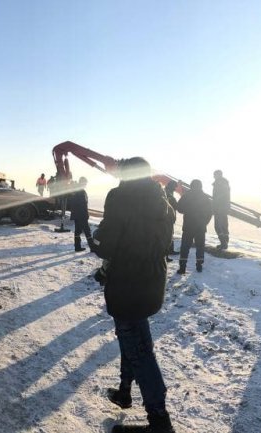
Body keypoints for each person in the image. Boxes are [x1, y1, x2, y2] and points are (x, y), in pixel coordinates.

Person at [91, 157, 177, 433]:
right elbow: (164, 243)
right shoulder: (163, 201)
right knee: (134, 340)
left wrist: (96, 236)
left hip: (127, 285)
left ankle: (160, 421)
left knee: (139, 352)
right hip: (151, 284)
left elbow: (106, 246)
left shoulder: (120, 197)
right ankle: (125, 391)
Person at [175, 179, 213, 274]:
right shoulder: (205, 197)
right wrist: (204, 223)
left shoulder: (187, 195)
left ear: (191, 186)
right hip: (200, 227)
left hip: (188, 226)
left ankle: (182, 267)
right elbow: (210, 212)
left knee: (185, 247)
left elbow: (179, 208)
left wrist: (187, 210)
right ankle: (199, 266)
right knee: (200, 247)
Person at [70, 177, 92, 251]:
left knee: (78, 231)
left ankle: (77, 246)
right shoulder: (81, 192)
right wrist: (86, 215)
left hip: (76, 214)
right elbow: (83, 205)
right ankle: (92, 247)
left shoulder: (75, 191)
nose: (86, 184)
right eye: (85, 183)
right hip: (81, 215)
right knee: (87, 231)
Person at [211, 170, 230, 250]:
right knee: (224, 225)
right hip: (223, 207)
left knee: (218, 226)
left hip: (219, 207)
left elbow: (220, 196)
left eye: (214, 175)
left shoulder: (220, 183)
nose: (213, 176)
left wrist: (215, 203)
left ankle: (223, 243)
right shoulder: (224, 183)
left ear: (218, 175)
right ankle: (225, 243)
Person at [164, 180, 179, 258]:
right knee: (167, 235)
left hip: (168, 217)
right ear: (172, 186)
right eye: (175, 187)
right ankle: (166, 255)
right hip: (167, 218)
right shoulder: (168, 193)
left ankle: (169, 251)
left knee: (170, 234)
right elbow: (175, 205)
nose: (175, 189)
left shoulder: (166, 191)